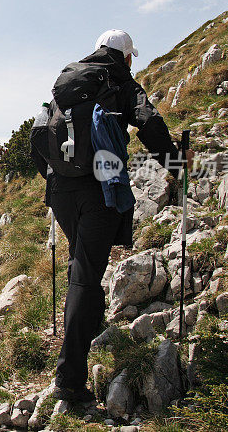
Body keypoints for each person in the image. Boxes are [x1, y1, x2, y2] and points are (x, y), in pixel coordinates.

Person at [33, 30, 192, 403]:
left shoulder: (68, 79)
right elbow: (149, 123)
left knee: (81, 262)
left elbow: (39, 132)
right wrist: (176, 167)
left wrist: (55, 181)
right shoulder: (120, 81)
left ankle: (90, 321)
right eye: (131, 56)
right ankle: (69, 379)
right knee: (85, 278)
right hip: (98, 189)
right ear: (125, 56)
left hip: (61, 190)